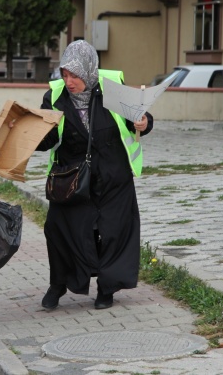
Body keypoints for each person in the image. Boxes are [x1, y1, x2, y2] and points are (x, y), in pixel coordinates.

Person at [36, 40, 153, 310]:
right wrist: (30, 135)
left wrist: (144, 122)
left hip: (113, 175)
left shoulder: (112, 89)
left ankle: (106, 288)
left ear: (88, 71)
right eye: (65, 75)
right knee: (60, 230)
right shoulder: (54, 97)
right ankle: (58, 284)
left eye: (74, 75)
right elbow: (47, 139)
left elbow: (139, 120)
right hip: (73, 178)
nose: (69, 81)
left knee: (113, 232)